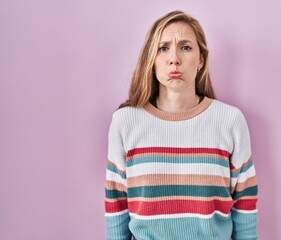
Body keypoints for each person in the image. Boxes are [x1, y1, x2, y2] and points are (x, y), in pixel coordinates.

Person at [105, 10, 258, 240]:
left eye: (185, 47)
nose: (174, 58)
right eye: (163, 48)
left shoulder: (230, 121)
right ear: (152, 59)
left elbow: (245, 205)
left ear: (201, 60)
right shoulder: (125, 122)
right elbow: (116, 206)